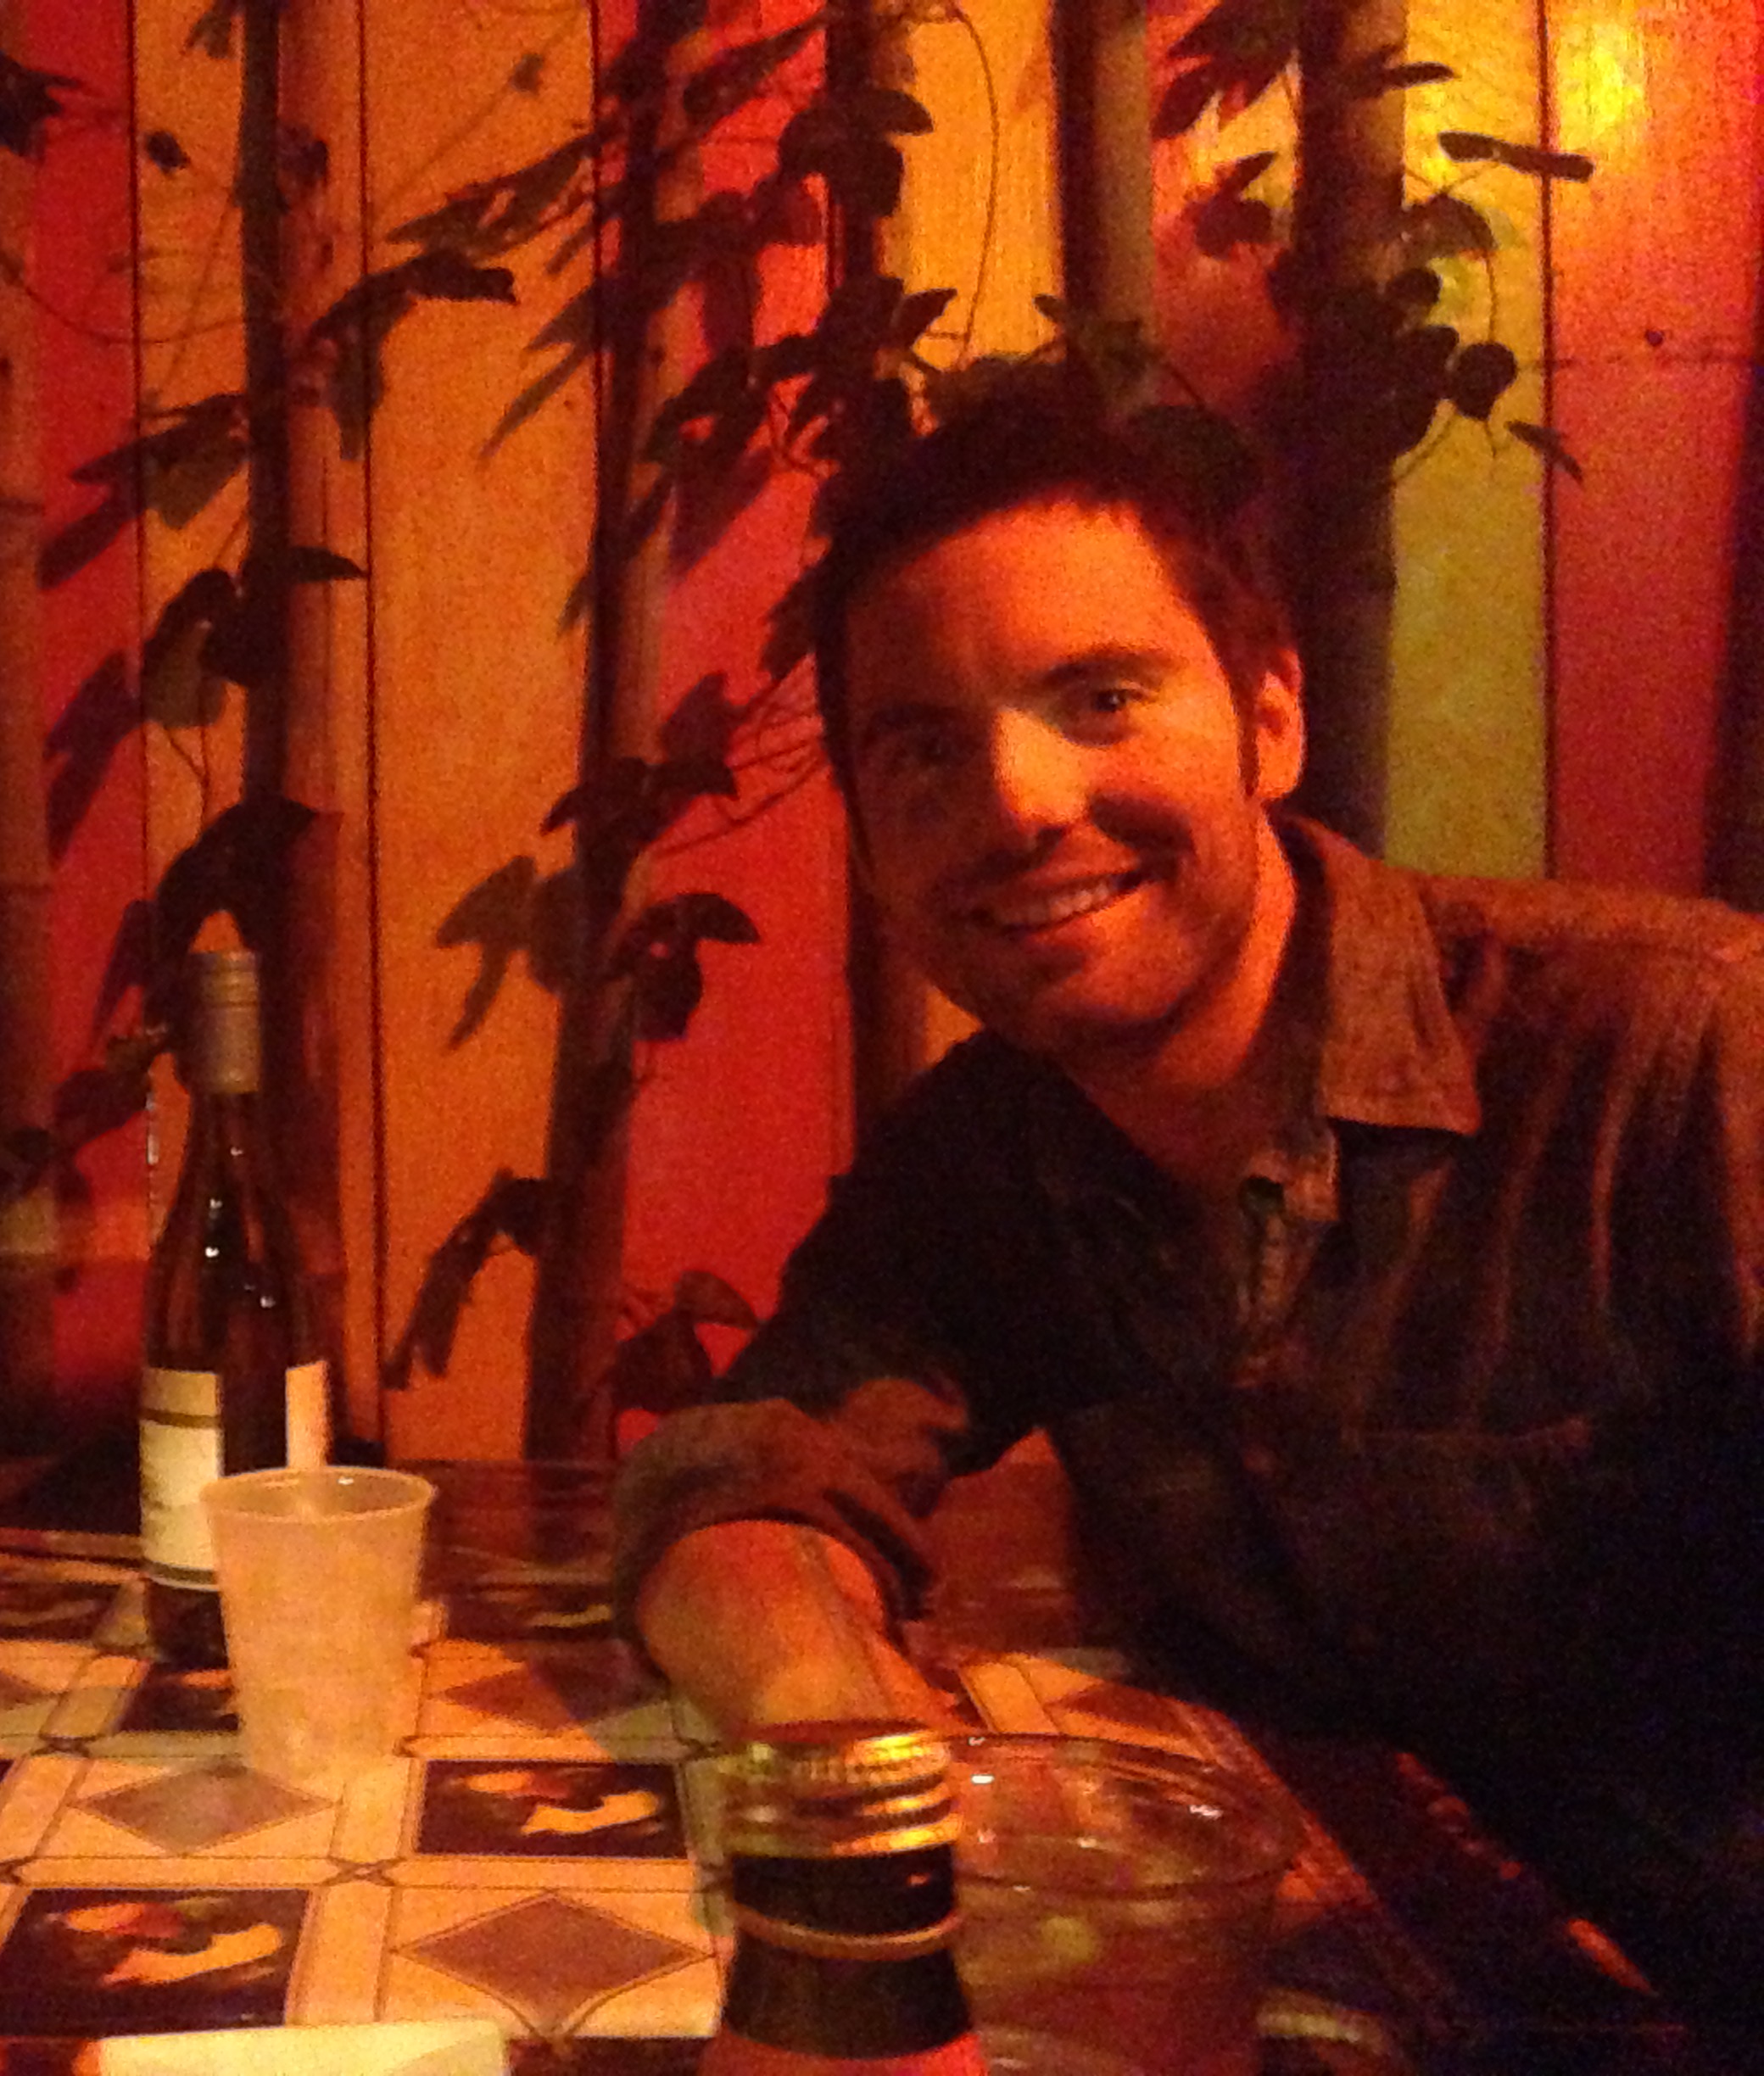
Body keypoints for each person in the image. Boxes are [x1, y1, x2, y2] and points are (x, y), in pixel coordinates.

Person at [612, 371, 1764, 2041]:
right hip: (1354, 1989)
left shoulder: (1681, 1050)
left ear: (1269, 715)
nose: (1017, 803)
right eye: (924, 750)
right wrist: (835, 1734)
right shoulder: (986, 1163)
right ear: (870, 843)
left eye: (1098, 699)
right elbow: (743, 1471)